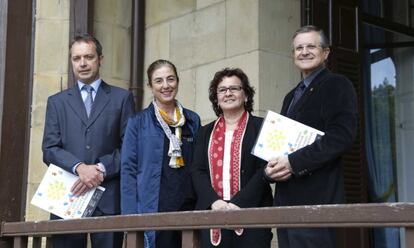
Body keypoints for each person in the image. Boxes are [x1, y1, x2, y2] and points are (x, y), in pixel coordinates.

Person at [264, 25, 358, 248]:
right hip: (287, 201)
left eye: (310, 46)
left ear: (326, 53)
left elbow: (342, 136)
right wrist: (270, 170)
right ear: (293, 55)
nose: (304, 52)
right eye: (299, 48)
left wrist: (293, 162)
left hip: (317, 199)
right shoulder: (291, 96)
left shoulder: (337, 84)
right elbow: (283, 143)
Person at [42, 33, 135, 248]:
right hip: (67, 198)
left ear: (100, 59)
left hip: (108, 200)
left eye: (88, 57)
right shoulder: (57, 102)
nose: (82, 63)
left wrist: (100, 169)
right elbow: (49, 149)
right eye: (76, 58)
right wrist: (79, 168)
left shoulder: (121, 98)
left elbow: (130, 147)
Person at [120, 59, 201, 248]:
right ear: (150, 86)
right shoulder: (138, 122)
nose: (166, 85)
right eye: (158, 81)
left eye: (170, 79)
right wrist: (129, 219)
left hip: (188, 211)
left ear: (178, 82)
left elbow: (199, 166)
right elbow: (128, 170)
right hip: (153, 209)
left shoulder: (192, 120)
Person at [191, 68, 273, 248]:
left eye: (234, 88)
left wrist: (238, 203)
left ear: (245, 95)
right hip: (213, 213)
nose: (228, 93)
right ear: (216, 98)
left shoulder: (262, 127)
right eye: (222, 90)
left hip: (252, 215)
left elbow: (265, 169)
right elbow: (198, 170)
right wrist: (214, 201)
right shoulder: (204, 132)